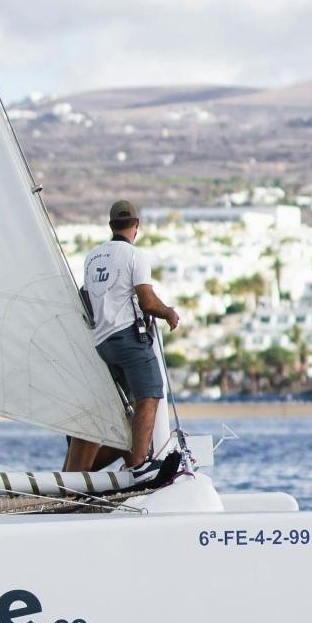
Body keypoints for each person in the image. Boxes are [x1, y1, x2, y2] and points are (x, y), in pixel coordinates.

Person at [63, 202, 180, 475]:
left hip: (102, 343)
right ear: (136, 225)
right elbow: (147, 301)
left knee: (121, 412)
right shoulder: (135, 256)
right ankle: (139, 466)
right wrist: (169, 313)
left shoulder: (92, 257)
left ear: (111, 225)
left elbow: (88, 298)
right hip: (128, 338)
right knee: (150, 395)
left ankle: (80, 472)